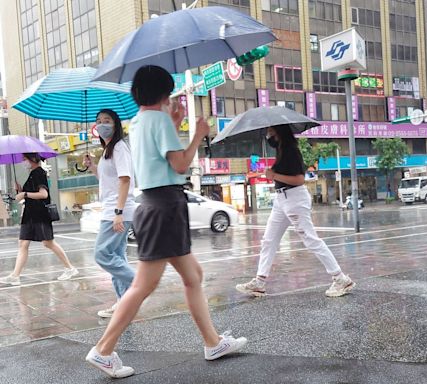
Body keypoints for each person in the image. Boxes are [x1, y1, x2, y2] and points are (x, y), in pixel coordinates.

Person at [85, 65, 246, 379]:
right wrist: (198, 134)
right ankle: (103, 350)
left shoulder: (139, 120)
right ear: (164, 92)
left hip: (154, 204)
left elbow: (159, 158)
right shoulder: (158, 120)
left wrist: (175, 123)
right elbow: (181, 164)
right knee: (143, 285)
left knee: (193, 275)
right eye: (170, 92)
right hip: (165, 207)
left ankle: (212, 343)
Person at [236, 126, 355, 298]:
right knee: (269, 240)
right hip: (281, 199)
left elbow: (299, 179)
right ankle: (259, 282)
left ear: (279, 132)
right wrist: (272, 174)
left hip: (294, 199)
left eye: (271, 131)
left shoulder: (291, 151)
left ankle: (340, 278)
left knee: (310, 239)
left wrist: (274, 176)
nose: (269, 135)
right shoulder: (282, 150)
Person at [83, 109, 136, 318]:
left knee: (102, 254)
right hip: (112, 208)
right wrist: (92, 167)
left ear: (116, 125)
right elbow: (108, 181)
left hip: (117, 210)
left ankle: (139, 284)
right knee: (116, 256)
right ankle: (124, 304)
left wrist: (118, 212)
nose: (102, 124)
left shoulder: (120, 148)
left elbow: (125, 180)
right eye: (98, 121)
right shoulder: (108, 151)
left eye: (107, 121)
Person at [0, 153, 78, 286]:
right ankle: (15, 276)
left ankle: (70, 268)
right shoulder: (33, 173)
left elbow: (43, 194)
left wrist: (24, 193)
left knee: (48, 243)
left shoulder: (39, 173)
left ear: (33, 159)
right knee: (23, 244)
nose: (23, 162)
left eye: (25, 159)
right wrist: (20, 189)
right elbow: (31, 194)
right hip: (30, 215)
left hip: (39, 215)